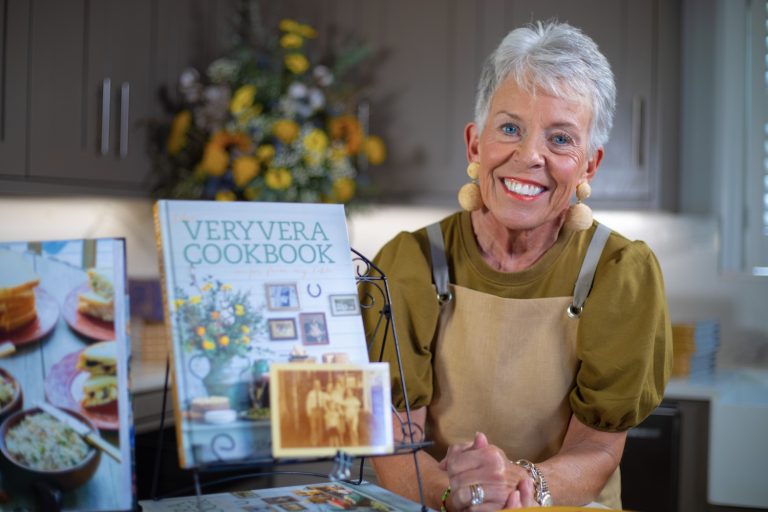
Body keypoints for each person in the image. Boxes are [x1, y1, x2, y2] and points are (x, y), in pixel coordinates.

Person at [360, 21, 672, 510]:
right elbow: (395, 445)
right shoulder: (409, 263)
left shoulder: (620, 273)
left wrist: (521, 485)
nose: (529, 156)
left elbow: (598, 449)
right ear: (475, 144)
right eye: (510, 128)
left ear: (590, 164)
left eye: (561, 139)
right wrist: (455, 493)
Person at [305, 378, 327, 446]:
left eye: (318, 384)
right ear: (313, 385)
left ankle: (320, 441)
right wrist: (308, 412)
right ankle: (314, 442)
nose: (317, 386)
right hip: (313, 411)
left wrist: (326, 411)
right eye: (315, 384)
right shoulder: (310, 393)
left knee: (320, 426)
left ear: (320, 385)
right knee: (313, 427)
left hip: (320, 410)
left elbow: (324, 402)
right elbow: (308, 403)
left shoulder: (322, 394)